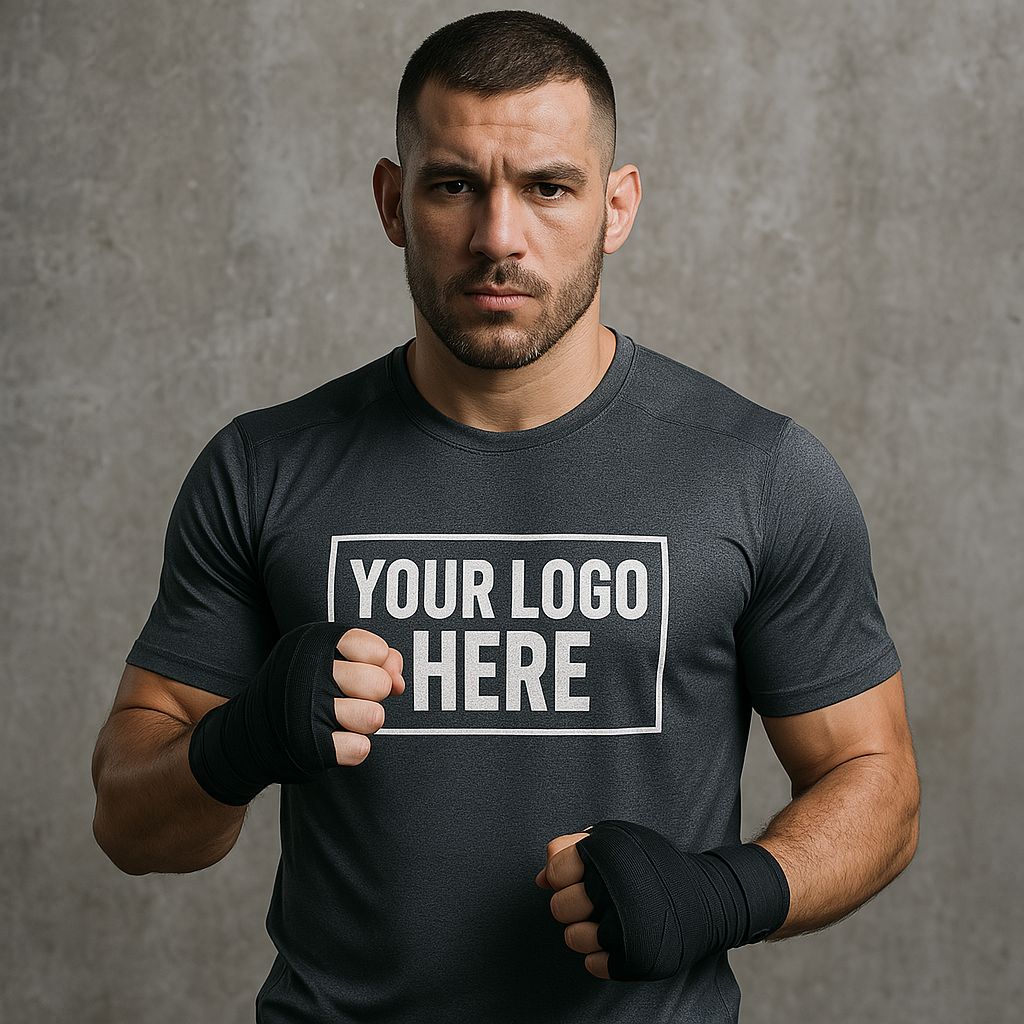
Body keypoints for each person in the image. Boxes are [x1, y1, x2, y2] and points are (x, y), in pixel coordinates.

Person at [92, 10, 919, 1023]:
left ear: (616, 208)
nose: (498, 237)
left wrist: (722, 892)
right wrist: (237, 742)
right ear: (393, 202)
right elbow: (133, 826)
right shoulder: (265, 469)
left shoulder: (757, 470)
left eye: (548, 187)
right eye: (453, 185)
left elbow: (876, 784)